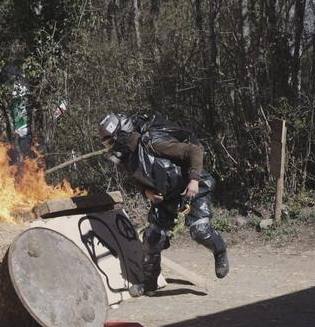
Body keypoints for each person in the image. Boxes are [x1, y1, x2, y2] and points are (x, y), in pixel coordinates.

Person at [98, 112, 229, 297]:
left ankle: (220, 252)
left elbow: (194, 151)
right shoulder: (126, 157)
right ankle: (149, 284)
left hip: (191, 188)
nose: (107, 146)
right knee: (152, 239)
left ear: (120, 135)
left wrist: (193, 180)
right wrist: (147, 192)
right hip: (165, 196)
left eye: (109, 141)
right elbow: (137, 178)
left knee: (200, 231)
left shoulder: (154, 143)